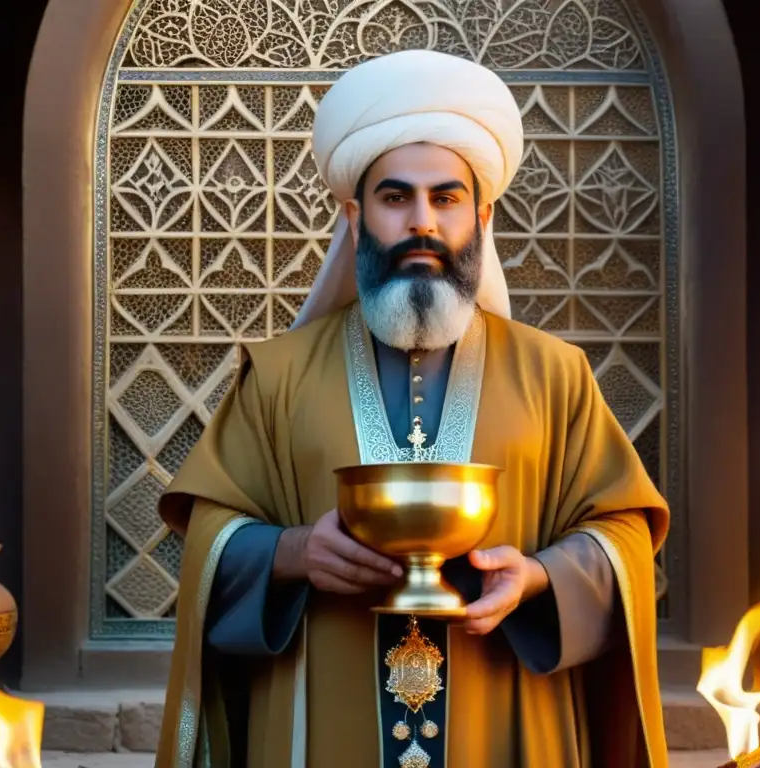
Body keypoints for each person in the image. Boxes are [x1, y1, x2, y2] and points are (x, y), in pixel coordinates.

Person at [155, 49, 670, 768]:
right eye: (395, 197)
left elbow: (623, 533)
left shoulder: (555, 374)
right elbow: (207, 535)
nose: (421, 221)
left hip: (505, 718)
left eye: (446, 197)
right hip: (321, 722)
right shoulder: (277, 374)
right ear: (355, 213)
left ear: (482, 213)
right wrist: (294, 552)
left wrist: (541, 576)